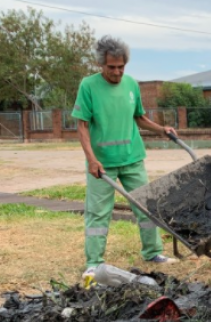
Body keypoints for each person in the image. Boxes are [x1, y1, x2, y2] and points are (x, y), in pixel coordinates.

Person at [73, 35, 179, 279]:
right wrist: (91, 159)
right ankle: (94, 262)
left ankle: (153, 252)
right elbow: (82, 126)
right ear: (101, 64)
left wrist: (162, 130)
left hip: (132, 158)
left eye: (121, 67)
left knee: (146, 207)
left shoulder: (131, 84)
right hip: (102, 164)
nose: (117, 72)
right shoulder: (88, 86)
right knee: (98, 213)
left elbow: (139, 117)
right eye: (112, 67)